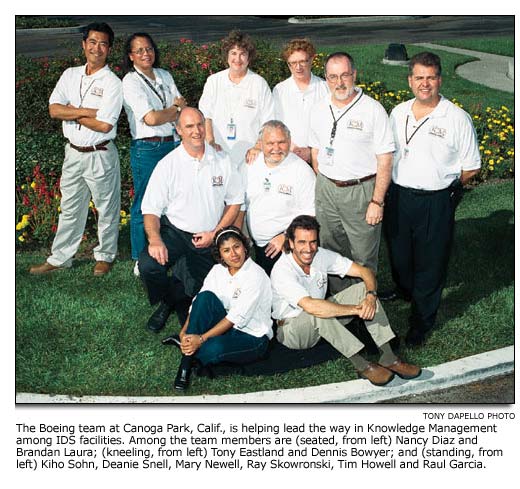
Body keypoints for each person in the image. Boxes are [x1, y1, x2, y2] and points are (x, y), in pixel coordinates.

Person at [383, 52, 481, 346]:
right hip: (399, 195)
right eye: (419, 78)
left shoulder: (456, 118)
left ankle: (421, 321)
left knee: (430, 262)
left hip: (435, 200)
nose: (424, 84)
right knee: (400, 256)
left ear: (439, 79)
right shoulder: (398, 112)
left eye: (431, 78)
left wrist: (444, 188)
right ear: (409, 80)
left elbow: (472, 166)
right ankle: (405, 290)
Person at [271, 215, 421, 386]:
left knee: (361, 289)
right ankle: (361, 365)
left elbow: (365, 272)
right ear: (290, 243)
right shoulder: (282, 270)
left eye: (313, 242)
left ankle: (388, 357)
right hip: (292, 331)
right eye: (302, 242)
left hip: (320, 321)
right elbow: (311, 306)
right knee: (318, 312)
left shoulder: (320, 255)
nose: (309, 248)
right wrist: (357, 310)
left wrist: (371, 296)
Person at [139, 107, 244, 333]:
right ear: (178, 131)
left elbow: (235, 201)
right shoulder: (167, 164)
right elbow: (150, 209)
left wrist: (215, 233)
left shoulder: (222, 159)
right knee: (149, 266)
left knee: (203, 295)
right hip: (175, 233)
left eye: (199, 124)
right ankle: (166, 300)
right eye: (189, 126)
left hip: (209, 234)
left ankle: (174, 300)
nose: (196, 131)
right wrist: (155, 240)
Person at [29, 22, 123, 277]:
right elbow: (53, 109)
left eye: (103, 43)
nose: (97, 48)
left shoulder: (113, 83)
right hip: (73, 153)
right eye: (92, 42)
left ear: (109, 49)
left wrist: (71, 113)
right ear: (84, 45)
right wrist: (86, 111)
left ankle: (105, 256)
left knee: (106, 208)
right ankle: (61, 258)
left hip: (100, 154)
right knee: (70, 208)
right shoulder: (70, 74)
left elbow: (104, 125)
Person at [309, 52, 395, 294]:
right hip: (327, 189)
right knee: (330, 251)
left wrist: (377, 201)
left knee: (363, 253)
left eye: (345, 75)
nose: (340, 82)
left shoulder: (372, 110)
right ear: (325, 78)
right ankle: (342, 306)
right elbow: (315, 150)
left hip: (361, 191)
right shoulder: (318, 108)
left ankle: (367, 309)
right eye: (333, 76)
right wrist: (325, 180)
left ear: (354, 75)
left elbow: (385, 159)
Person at [173, 226, 273, 391]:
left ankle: (190, 350)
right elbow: (199, 302)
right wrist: (183, 332)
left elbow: (235, 318)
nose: (233, 254)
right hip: (224, 325)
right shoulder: (217, 270)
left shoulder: (256, 275)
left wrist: (202, 338)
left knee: (212, 350)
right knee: (205, 297)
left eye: (236, 247)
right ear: (220, 255)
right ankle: (185, 366)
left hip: (252, 336)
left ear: (245, 246)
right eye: (226, 250)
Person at [122, 32, 187, 276]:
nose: (145, 54)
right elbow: (151, 118)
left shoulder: (164, 75)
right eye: (139, 51)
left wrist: (172, 110)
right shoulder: (130, 82)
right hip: (147, 148)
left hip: (171, 144)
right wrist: (175, 108)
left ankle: (170, 252)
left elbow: (180, 108)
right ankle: (140, 258)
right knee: (144, 204)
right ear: (131, 56)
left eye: (148, 49)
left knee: (171, 202)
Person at [236, 120, 315, 275]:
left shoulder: (302, 171)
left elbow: (310, 214)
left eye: (281, 142)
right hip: (258, 246)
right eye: (270, 143)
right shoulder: (248, 165)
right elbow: (239, 203)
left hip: (286, 245)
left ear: (290, 142)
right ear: (260, 144)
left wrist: (286, 237)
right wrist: (238, 236)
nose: (276, 148)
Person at [198, 30, 274, 168]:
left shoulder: (259, 83)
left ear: (249, 57)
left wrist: (258, 147)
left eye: (242, 54)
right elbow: (205, 116)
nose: (237, 59)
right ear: (226, 56)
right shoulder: (214, 81)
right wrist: (210, 142)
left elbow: (268, 121)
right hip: (217, 153)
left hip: (250, 156)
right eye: (233, 53)